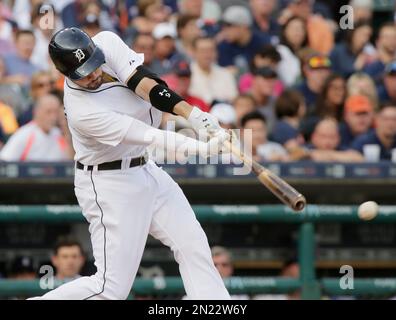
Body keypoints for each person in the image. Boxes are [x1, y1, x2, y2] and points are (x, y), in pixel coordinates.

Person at [29, 27, 230, 300]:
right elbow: (148, 135)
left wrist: (193, 114)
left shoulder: (107, 42)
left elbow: (143, 83)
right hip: (109, 183)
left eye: (93, 65)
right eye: (83, 73)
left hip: (145, 169)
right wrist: (199, 148)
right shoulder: (83, 111)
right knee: (109, 289)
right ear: (65, 74)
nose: (93, 74)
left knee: (192, 244)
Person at [0, 94, 71, 161]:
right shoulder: (24, 134)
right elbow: (5, 161)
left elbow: (69, 163)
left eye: (56, 112)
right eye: (48, 112)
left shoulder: (58, 134)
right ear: (36, 112)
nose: (53, 117)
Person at [217, 6, 270, 75]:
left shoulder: (261, 43)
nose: (224, 29)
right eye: (223, 25)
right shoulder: (223, 45)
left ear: (243, 26)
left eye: (229, 25)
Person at [189, 36, 238, 105]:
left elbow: (233, 99)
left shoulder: (226, 74)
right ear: (194, 52)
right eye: (203, 51)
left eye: (211, 50)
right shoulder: (186, 75)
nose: (207, 55)